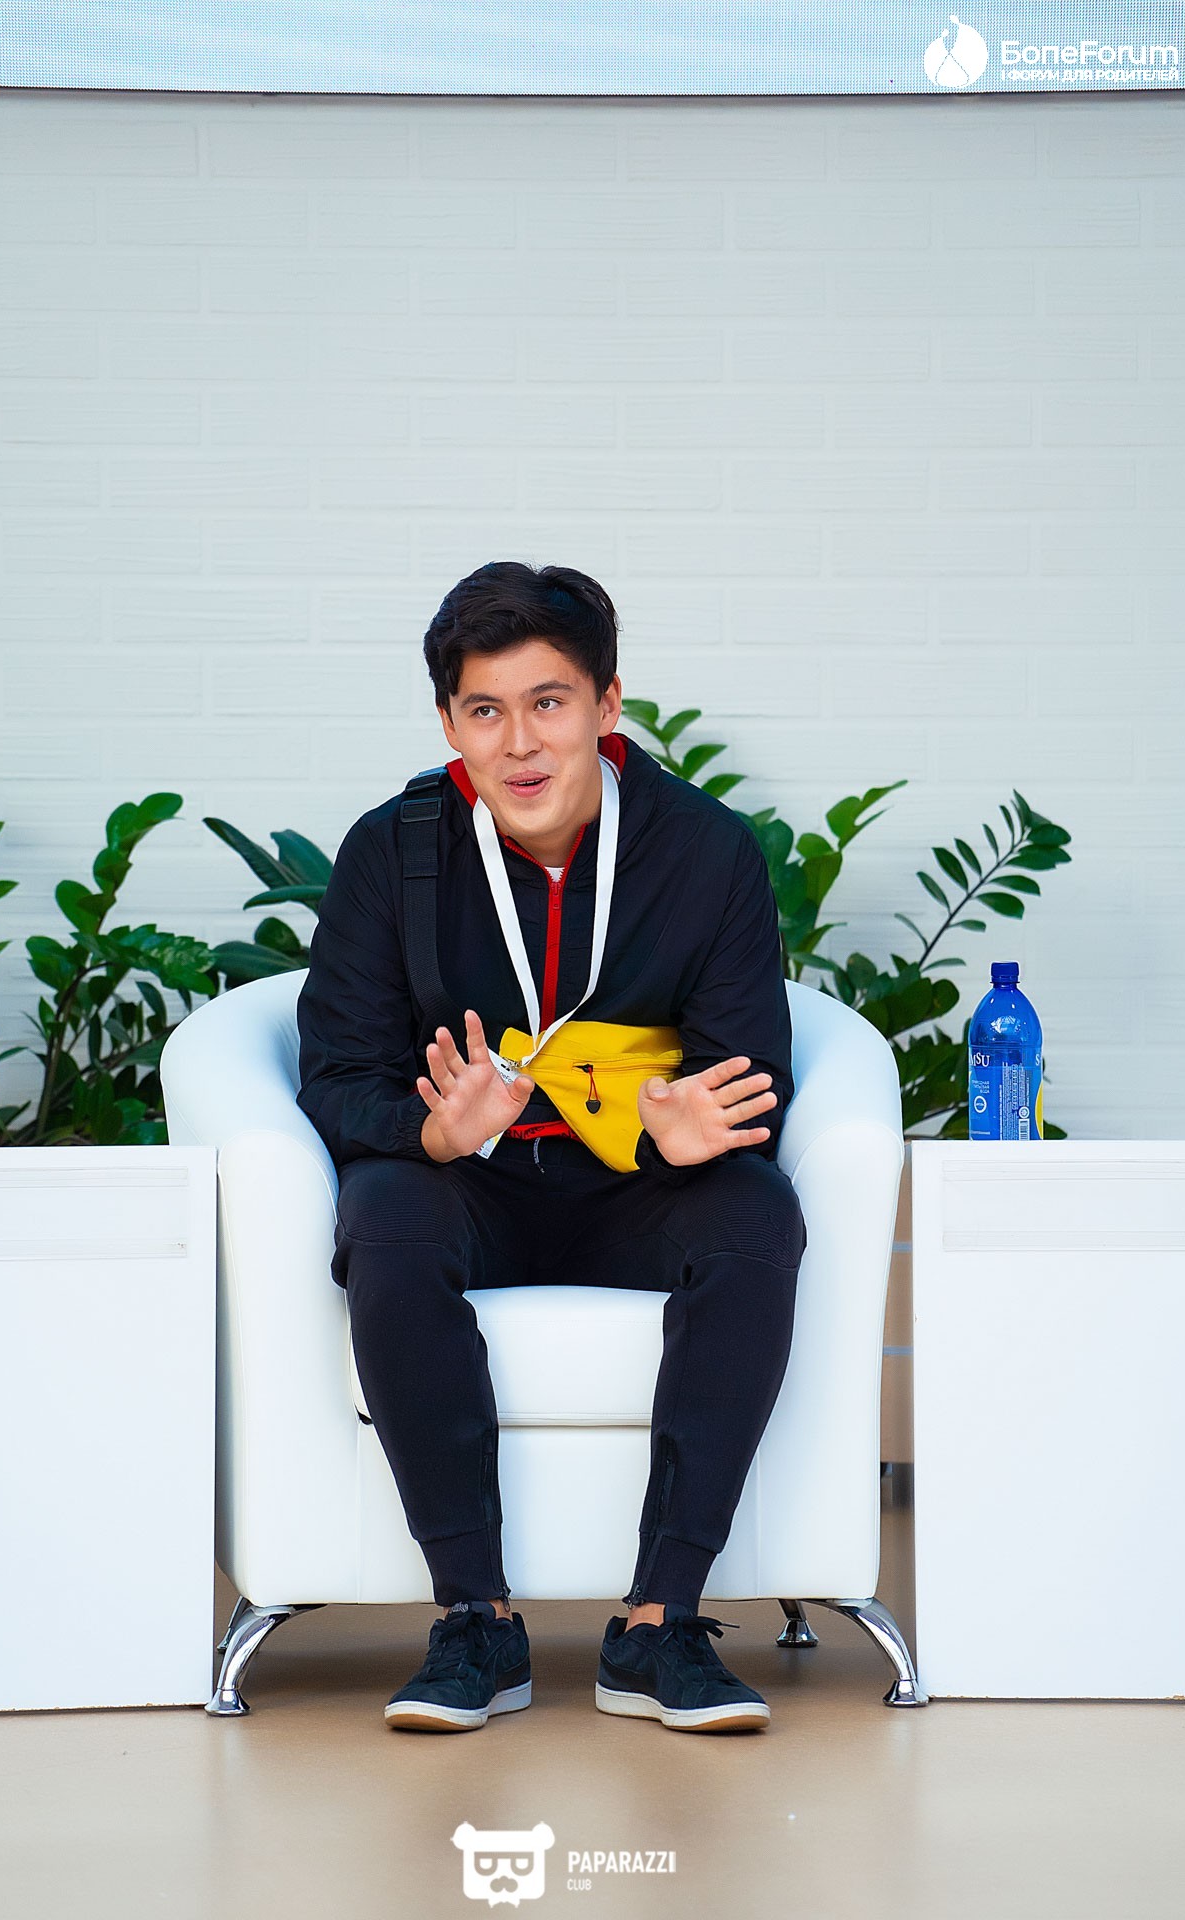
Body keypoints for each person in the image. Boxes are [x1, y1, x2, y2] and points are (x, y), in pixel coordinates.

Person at [295, 560, 807, 1736]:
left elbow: (745, 1073)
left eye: (547, 702)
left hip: (633, 1187)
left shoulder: (705, 852)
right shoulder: (392, 852)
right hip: (464, 1187)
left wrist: (684, 1131)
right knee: (384, 1211)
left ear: (605, 704)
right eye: (484, 710)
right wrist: (427, 1129)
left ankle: (658, 1626)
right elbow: (336, 1075)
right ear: (447, 724)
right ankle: (474, 1620)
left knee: (753, 1214)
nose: (518, 743)